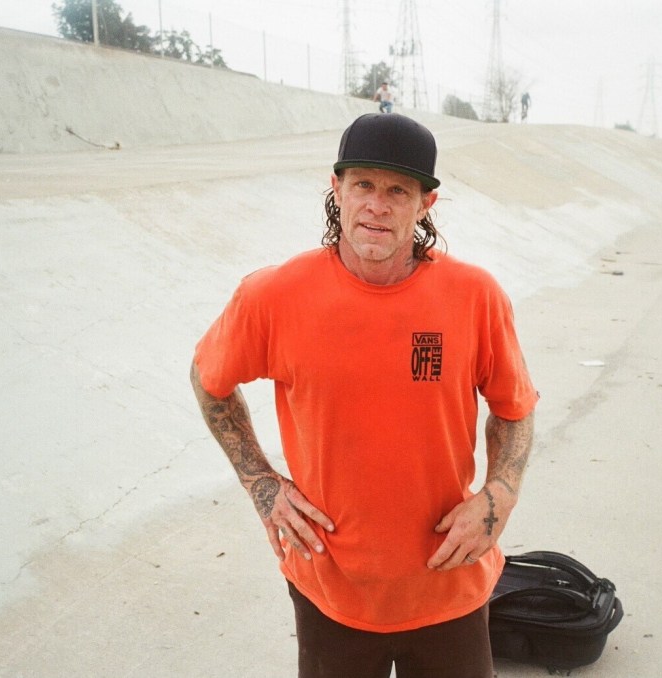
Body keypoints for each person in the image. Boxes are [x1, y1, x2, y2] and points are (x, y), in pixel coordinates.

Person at [191, 113, 538, 678]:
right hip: (332, 589)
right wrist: (261, 482)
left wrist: (499, 497)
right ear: (338, 188)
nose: (377, 205)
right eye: (363, 185)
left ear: (427, 202)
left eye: (398, 190)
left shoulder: (475, 297)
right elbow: (210, 384)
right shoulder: (274, 296)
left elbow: (515, 411)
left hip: (447, 581)